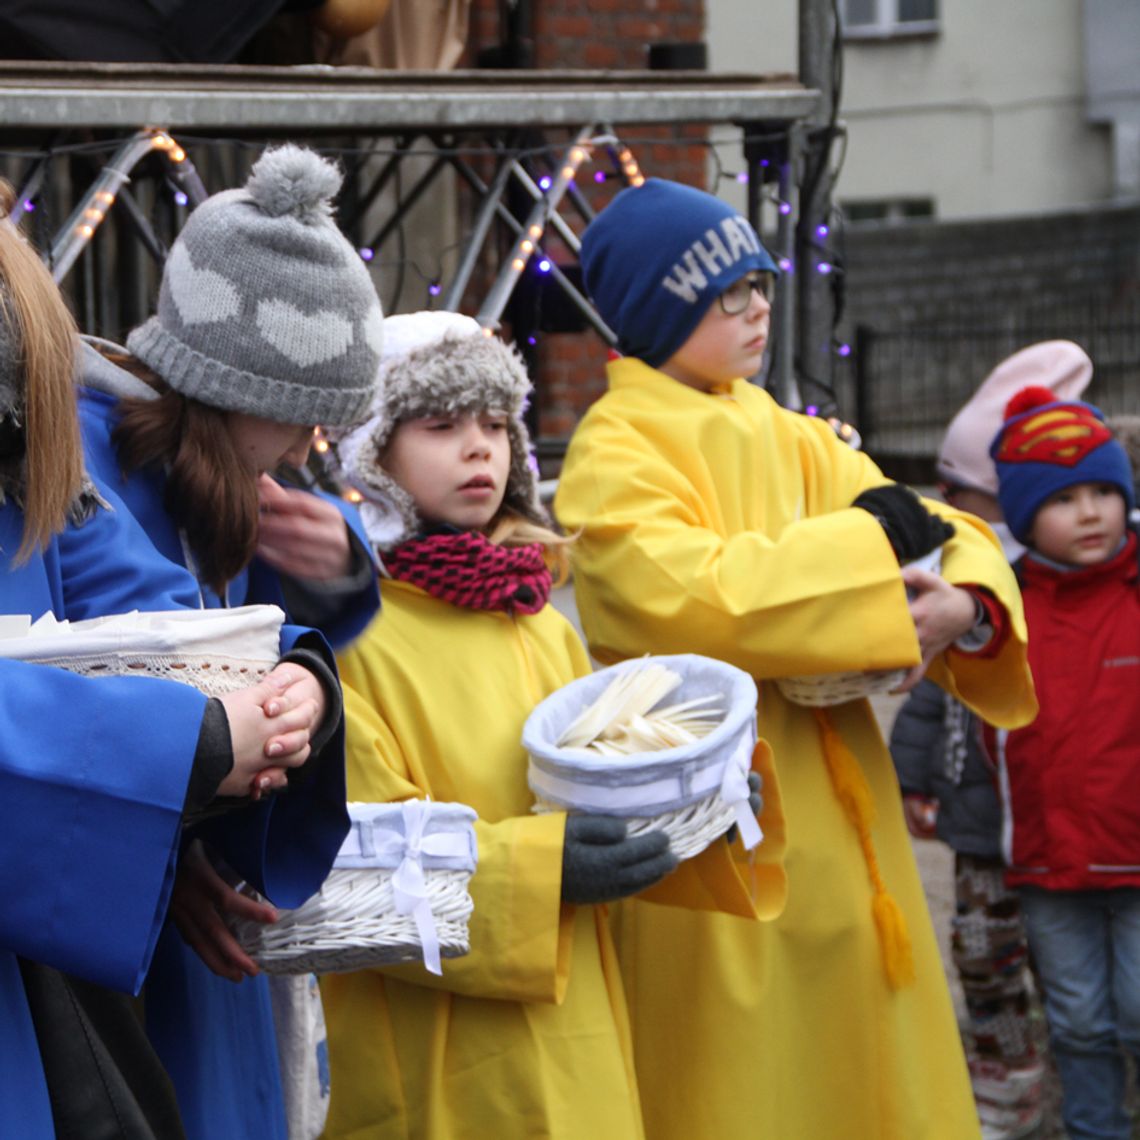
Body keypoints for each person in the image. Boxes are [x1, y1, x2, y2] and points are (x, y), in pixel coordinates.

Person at [553, 178, 1037, 1140]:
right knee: (742, 1090)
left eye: (759, 283)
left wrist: (963, 604)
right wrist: (872, 558)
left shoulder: (789, 431)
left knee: (864, 1079)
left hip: (846, 826)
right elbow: (690, 598)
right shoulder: (615, 446)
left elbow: (938, 528)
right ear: (661, 309)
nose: (757, 306)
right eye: (725, 292)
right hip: (717, 832)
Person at [320, 310, 785, 1139]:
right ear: (370, 453)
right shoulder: (351, 642)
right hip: (439, 1068)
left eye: (496, 424)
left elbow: (599, 798)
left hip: (579, 1040)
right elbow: (345, 865)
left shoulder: (540, 620)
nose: (479, 448)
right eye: (440, 424)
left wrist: (689, 815)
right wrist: (542, 874)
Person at [73, 143, 385, 1139]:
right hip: (124, 940)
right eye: (299, 417)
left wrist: (335, 574)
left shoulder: (213, 471)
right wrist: (170, 865)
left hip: (194, 916)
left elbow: (242, 644)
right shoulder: (89, 462)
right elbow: (118, 684)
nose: (304, 453)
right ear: (230, 381)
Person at [0, 177, 324, 1136]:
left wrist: (288, 680)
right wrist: (191, 738)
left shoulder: (31, 403)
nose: (314, 444)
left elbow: (142, 603)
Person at [890, 341, 1092, 1139]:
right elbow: (937, 692)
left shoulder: (1062, 584)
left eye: (965, 494)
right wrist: (915, 778)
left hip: (1062, 823)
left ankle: (1085, 1083)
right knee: (986, 961)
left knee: (1069, 964)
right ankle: (1004, 1094)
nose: (950, 509)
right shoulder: (968, 589)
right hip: (980, 827)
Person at [989, 385, 1140, 1140]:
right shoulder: (1003, 608)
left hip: (1136, 858)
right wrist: (922, 779)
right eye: (1064, 498)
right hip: (1047, 862)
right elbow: (950, 708)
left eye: (1103, 492)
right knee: (1077, 1021)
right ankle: (1094, 1130)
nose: (1090, 513)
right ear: (1022, 518)